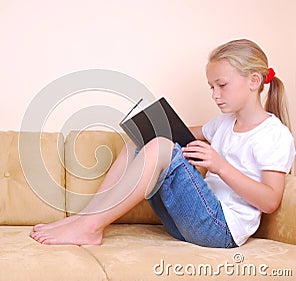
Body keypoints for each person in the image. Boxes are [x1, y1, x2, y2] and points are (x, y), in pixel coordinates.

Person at [30, 39, 295, 248]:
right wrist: (150, 126)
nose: (214, 94)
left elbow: (270, 201)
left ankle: (90, 228)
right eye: (211, 87)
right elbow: (175, 133)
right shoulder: (222, 123)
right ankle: (85, 217)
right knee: (140, 141)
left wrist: (220, 166)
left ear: (254, 81)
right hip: (186, 222)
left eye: (221, 85)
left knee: (160, 147)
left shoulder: (274, 135)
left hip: (221, 229)